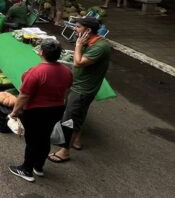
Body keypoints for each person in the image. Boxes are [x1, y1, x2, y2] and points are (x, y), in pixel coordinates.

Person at [7, 39, 73, 182]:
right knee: (45, 138)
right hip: (56, 109)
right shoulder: (67, 72)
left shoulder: (36, 71)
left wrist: (14, 112)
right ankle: (38, 166)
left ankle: (26, 169)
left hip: (36, 112)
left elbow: (24, 95)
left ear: (41, 52)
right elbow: (67, 92)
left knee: (32, 141)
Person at [49, 17, 112, 163]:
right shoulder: (90, 41)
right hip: (79, 85)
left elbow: (78, 62)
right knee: (78, 115)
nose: (75, 29)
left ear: (88, 30)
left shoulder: (100, 47)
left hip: (82, 89)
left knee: (70, 119)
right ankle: (76, 140)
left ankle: (64, 152)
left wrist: (78, 45)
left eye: (78, 27)